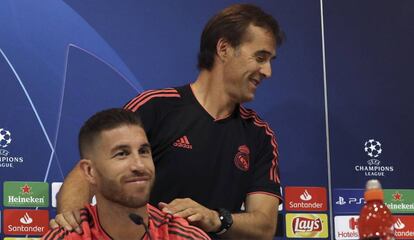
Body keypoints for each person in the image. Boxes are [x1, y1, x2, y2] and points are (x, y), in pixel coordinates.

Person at [53, 3, 284, 239]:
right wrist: (73, 226)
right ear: (224, 49)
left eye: (270, 60)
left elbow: (265, 227)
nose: (267, 71)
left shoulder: (259, 135)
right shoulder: (155, 107)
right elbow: (83, 178)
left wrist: (215, 219)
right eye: (260, 57)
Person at [42, 109, 210, 240]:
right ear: (90, 171)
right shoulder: (67, 237)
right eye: (122, 154)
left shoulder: (185, 237)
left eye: (144, 151)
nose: (139, 165)